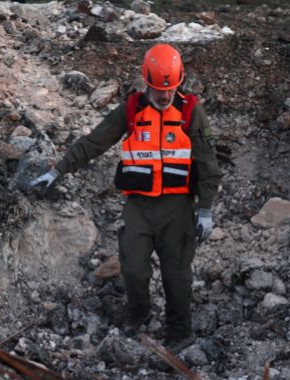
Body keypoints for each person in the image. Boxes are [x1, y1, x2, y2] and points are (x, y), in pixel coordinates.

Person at [24, 43, 222, 350]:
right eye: (158, 89)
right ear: (146, 81)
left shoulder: (190, 112)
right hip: (139, 207)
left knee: (176, 273)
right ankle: (138, 317)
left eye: (170, 89)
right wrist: (58, 170)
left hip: (178, 207)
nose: (164, 96)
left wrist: (206, 211)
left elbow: (208, 163)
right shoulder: (131, 110)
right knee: (132, 269)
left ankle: (180, 332)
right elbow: (94, 142)